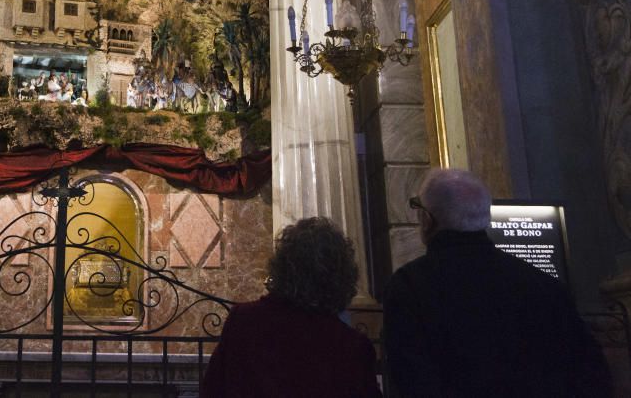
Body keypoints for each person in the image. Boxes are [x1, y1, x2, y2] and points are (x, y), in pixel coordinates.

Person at [383, 168, 610, 397]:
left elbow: (411, 381)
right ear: (486, 216)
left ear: (426, 219)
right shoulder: (543, 285)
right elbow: (589, 371)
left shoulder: (410, 286)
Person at [201, 217, 380, 398]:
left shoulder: (243, 321)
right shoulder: (352, 347)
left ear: (282, 267)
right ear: (341, 277)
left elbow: (212, 390)